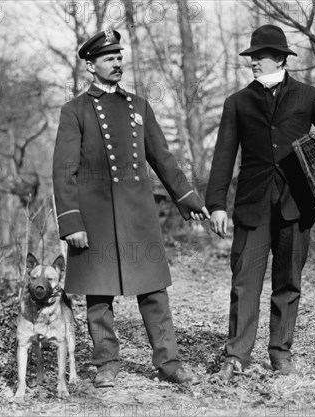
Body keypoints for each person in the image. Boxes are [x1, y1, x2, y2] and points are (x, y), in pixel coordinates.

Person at [205, 24, 315, 379]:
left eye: (259, 56)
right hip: (251, 205)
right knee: (244, 282)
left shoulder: (309, 96)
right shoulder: (237, 102)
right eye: (250, 56)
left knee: (288, 281)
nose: (252, 62)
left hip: (298, 204)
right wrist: (217, 203)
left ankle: (280, 353)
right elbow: (223, 154)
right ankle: (236, 356)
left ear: (279, 58)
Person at [53, 29, 209, 388]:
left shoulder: (138, 106)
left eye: (119, 57)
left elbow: (163, 159)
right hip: (95, 219)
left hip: (138, 217)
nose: (117, 63)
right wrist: (71, 222)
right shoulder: (74, 111)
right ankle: (106, 362)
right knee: (99, 294)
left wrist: (188, 199)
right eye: (109, 58)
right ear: (91, 66)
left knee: (154, 292)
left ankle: (169, 362)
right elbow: (63, 172)